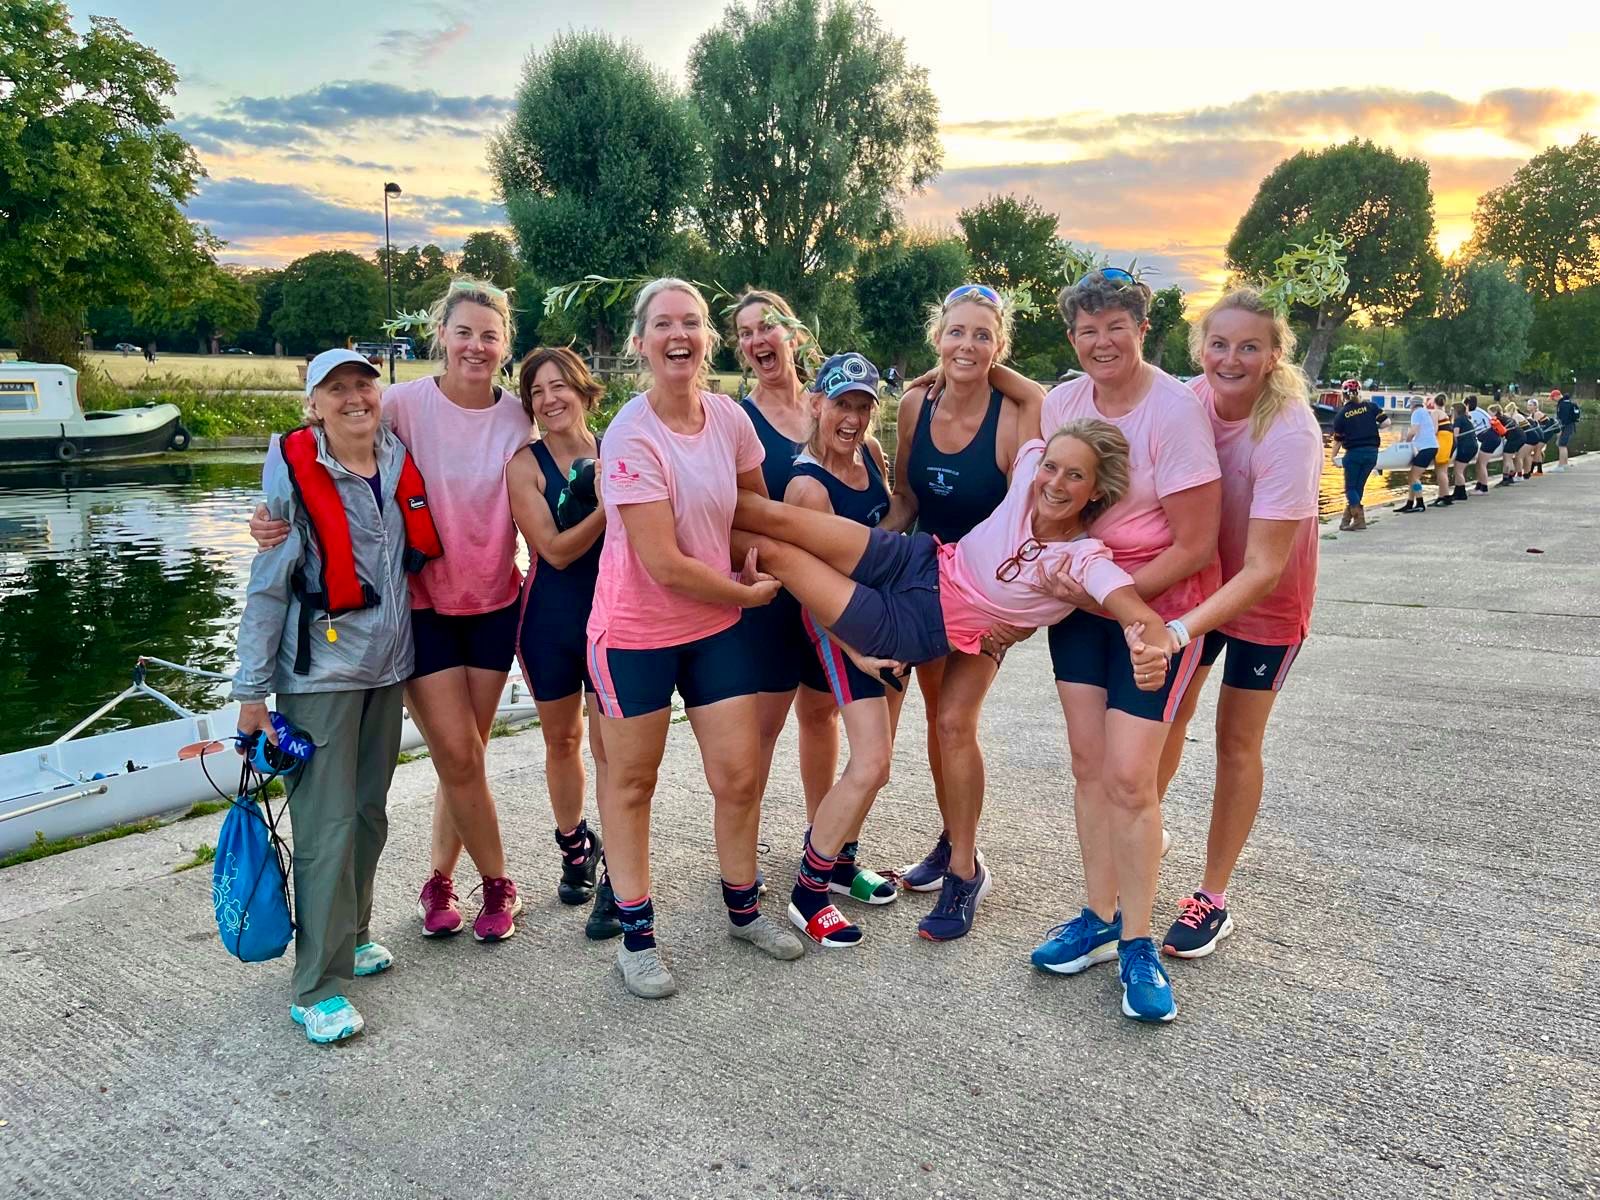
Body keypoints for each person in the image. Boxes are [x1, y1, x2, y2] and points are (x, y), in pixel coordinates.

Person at [733, 418, 1174, 945]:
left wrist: (1151, 651)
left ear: (1096, 491)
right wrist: (947, 372)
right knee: (774, 517)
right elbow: (1031, 403)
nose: (1054, 482)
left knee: (780, 555)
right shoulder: (1030, 475)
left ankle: (823, 888)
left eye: (1074, 476)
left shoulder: (1081, 560)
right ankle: (658, 519)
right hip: (915, 558)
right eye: (1051, 466)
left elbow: (1138, 614)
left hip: (918, 625)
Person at [252, 279, 533, 943]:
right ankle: (499, 884)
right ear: (443, 336)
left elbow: (568, 457)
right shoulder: (402, 403)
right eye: (463, 332)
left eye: (489, 336)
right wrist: (271, 516)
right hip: (421, 606)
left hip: (495, 603)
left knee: (463, 756)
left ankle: (438, 878)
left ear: (504, 345)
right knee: (459, 755)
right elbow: (315, 449)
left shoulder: (518, 416)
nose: (475, 346)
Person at [587, 278, 803, 1000]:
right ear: (641, 342)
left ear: (707, 339)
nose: (678, 335)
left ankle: (743, 909)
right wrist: (744, 592)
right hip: (637, 631)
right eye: (663, 324)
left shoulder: (729, 419)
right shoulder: (629, 434)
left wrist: (748, 554)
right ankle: (638, 938)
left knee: (738, 776)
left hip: (714, 627)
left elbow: (749, 507)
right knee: (633, 782)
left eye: (692, 322)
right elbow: (664, 564)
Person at [1026, 267, 1221, 1026]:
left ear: (1143, 328)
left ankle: (1139, 942)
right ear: (1072, 338)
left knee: (1133, 780)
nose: (1100, 340)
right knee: (1087, 767)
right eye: (1086, 329)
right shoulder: (1064, 400)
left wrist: (1127, 604)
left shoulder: (1173, 410)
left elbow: (1200, 543)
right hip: (1080, 607)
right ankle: (1099, 916)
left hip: (1152, 613)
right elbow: (1052, 500)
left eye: (1115, 325)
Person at [232, 349, 434, 1044]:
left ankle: (351, 934)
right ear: (312, 403)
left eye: (363, 385)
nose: (354, 398)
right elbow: (267, 587)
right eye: (336, 389)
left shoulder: (395, 454)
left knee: (370, 813)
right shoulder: (294, 473)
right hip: (319, 678)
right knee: (324, 829)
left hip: (388, 667)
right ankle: (313, 984)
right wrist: (251, 691)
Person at [1151, 289, 1323, 961]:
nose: (1231, 358)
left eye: (1250, 346)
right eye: (1219, 344)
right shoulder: (1184, 401)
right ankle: (1147, 829)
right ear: (1202, 349)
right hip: (1200, 583)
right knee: (1164, 715)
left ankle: (1211, 896)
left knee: (1235, 742)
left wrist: (1178, 628)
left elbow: (1264, 569)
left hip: (1265, 602)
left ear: (1274, 354)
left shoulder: (1289, 429)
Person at [883, 284, 1043, 896]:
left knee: (955, 720)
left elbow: (1035, 521)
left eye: (983, 335)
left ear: (1000, 347)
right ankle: (952, 835)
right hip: (928, 584)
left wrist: (1023, 614)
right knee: (936, 719)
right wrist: (859, 551)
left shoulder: (1015, 416)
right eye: (956, 333)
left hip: (987, 597)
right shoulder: (912, 407)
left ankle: (966, 871)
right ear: (937, 336)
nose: (967, 345)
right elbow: (907, 501)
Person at [776, 352, 904, 945]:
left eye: (862, 406)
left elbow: (891, 527)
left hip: (882, 625)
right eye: (841, 404)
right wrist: (852, 652)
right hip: (839, 628)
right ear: (816, 403)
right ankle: (809, 888)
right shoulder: (807, 486)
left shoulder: (871, 458)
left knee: (872, 759)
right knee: (872, 762)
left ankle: (841, 860)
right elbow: (811, 585)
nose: (850, 418)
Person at [505, 346, 619, 938]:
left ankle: (618, 873)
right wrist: (609, 502)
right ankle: (576, 847)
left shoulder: (616, 449)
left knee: (609, 749)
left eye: (560, 387)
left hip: (613, 618)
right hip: (548, 616)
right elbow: (552, 549)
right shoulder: (524, 464)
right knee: (562, 739)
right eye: (537, 392)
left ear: (584, 390)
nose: (550, 400)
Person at [729, 291, 842, 844]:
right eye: (745, 333)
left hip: (828, 596)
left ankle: (823, 843)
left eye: (767, 327)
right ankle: (741, 854)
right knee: (761, 729)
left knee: (821, 717)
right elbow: (724, 513)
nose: (757, 340)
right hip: (770, 595)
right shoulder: (735, 419)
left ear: (793, 335)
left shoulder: (829, 406)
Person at [1330, 378, 1388, 531]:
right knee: (1358, 487)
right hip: (1372, 453)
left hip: (1354, 454)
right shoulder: (1371, 406)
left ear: (1344, 395)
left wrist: (1332, 457)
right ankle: (1346, 519)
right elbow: (1386, 423)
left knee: (1350, 488)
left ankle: (1359, 519)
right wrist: (1371, 427)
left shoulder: (1341, 415)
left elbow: (1338, 440)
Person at [1396, 396, 1438, 514]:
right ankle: (1409, 503)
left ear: (1413, 405)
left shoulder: (1416, 413)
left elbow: (1413, 430)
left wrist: (1407, 442)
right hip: (1431, 446)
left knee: (1414, 477)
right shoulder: (1425, 412)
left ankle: (1420, 503)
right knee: (1412, 477)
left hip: (1426, 448)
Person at [1447, 401, 1478, 502]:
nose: (1451, 412)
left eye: (1452, 410)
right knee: (1458, 469)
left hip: (1465, 447)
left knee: (1458, 471)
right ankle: (1457, 492)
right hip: (1472, 446)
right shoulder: (1466, 419)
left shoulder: (1458, 420)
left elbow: (1455, 435)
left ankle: (1461, 493)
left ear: (1456, 411)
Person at [1430, 395, 1456, 506]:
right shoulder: (1445, 414)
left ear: (1434, 402)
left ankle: (1446, 497)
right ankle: (1441, 496)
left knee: (1440, 470)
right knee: (1443, 470)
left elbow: (1434, 429)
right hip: (1449, 440)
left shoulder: (1435, 412)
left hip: (1442, 440)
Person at [1466, 396, 1495, 492]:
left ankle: (1484, 488)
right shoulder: (1480, 411)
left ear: (1467, 404)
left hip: (1489, 438)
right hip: (1492, 436)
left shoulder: (1471, 414)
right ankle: (1479, 484)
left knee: (1482, 464)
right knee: (1479, 463)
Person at [1500, 401, 1527, 483]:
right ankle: (1515, 475)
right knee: (1514, 457)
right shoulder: (1511, 417)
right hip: (1522, 436)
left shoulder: (1514, 416)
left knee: (1507, 457)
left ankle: (1508, 477)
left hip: (1516, 437)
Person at [1556, 389, 1581, 471]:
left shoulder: (1562, 405)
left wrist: (1560, 430)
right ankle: (1565, 463)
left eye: (1553, 398)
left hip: (1565, 426)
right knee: (1564, 445)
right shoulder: (1571, 404)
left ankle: (1560, 465)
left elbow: (1561, 419)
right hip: (1571, 426)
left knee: (1561, 445)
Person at [1524, 398, 1548, 476]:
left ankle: (1533, 470)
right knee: (1538, 451)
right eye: (1528, 405)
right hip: (1542, 433)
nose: (1528, 407)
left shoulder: (1537, 414)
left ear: (1535, 406)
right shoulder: (1532, 414)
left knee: (1537, 451)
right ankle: (1538, 470)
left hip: (1544, 434)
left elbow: (1534, 426)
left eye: (1530, 405)